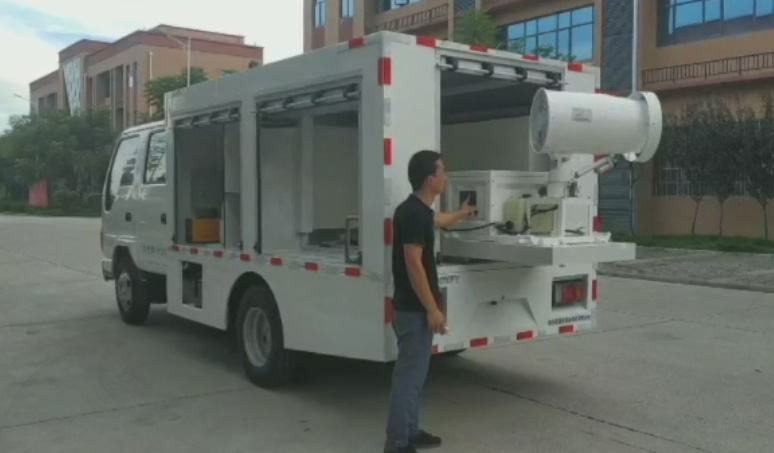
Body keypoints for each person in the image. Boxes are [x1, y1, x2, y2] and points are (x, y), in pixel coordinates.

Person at [384, 150, 475, 453]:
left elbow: (438, 220)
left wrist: (463, 212)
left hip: (414, 309)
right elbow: (413, 263)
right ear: (429, 179)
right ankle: (396, 443)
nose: (445, 177)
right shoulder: (413, 214)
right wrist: (433, 308)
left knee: (415, 377)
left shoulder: (418, 211)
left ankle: (410, 431)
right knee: (408, 379)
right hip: (413, 311)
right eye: (442, 172)